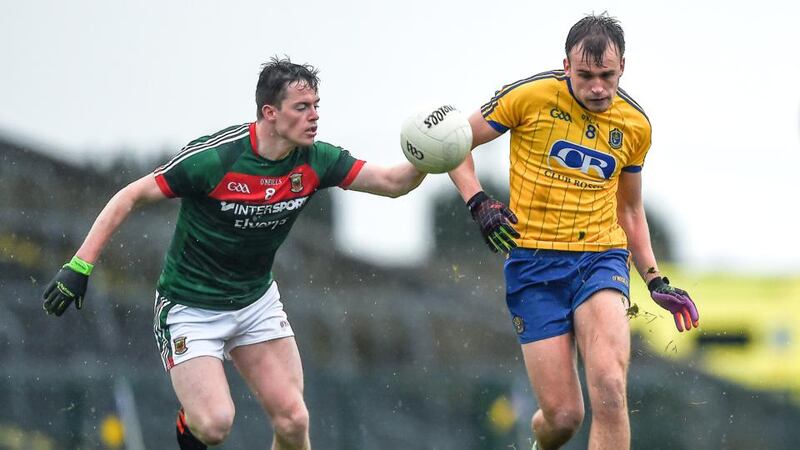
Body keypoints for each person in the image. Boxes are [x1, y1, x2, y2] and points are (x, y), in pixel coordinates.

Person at [41, 56, 427, 450]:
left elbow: (393, 182)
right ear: (269, 113)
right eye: (302, 108)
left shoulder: (317, 158)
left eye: (316, 106)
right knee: (215, 424)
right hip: (190, 307)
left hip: (254, 303)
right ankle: (190, 421)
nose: (314, 117)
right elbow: (131, 195)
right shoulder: (215, 159)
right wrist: (80, 265)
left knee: (294, 420)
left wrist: (433, 151)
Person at [448, 13, 700, 450]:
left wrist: (655, 278)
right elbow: (452, 144)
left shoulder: (635, 126)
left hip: (599, 259)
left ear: (623, 67)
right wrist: (478, 201)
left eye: (607, 75)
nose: (598, 87)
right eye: (585, 75)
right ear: (566, 66)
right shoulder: (527, 96)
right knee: (563, 418)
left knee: (609, 388)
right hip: (532, 265)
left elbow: (631, 209)